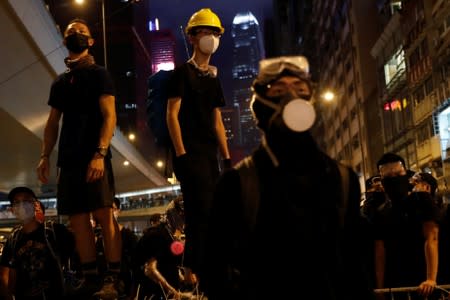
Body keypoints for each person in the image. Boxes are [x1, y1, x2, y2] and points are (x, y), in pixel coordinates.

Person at [203, 56, 375, 299]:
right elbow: (214, 272)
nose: (291, 99)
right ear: (259, 106)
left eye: (301, 89)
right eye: (279, 90)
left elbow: (355, 268)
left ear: (311, 101)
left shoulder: (343, 179)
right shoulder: (237, 184)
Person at [36, 18, 122, 299]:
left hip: (93, 156)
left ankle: (115, 278)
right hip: (69, 160)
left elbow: (109, 116)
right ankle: (91, 278)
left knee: (104, 215)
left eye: (82, 32)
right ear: (64, 41)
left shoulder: (100, 74)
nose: (76, 35)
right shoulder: (60, 83)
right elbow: (52, 123)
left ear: (91, 41)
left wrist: (100, 153)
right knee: (78, 220)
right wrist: (45, 155)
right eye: (71, 32)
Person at [166, 8, 231, 286]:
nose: (211, 38)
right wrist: (181, 154)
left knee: (211, 210)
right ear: (191, 37)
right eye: (205, 32)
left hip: (210, 155)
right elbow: (172, 114)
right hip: (189, 152)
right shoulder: (181, 74)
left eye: (215, 33)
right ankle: (195, 270)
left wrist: (226, 157)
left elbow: (217, 120)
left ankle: (199, 269)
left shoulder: (213, 78)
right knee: (199, 209)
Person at [364, 153, 441, 299]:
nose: (394, 180)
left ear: (406, 174)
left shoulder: (422, 201)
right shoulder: (381, 212)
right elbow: (380, 253)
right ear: (382, 179)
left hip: (424, 282)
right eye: (388, 176)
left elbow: (432, 238)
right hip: (396, 283)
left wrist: (431, 278)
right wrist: (380, 289)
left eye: (398, 174)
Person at [0, 187, 75, 300]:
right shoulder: (13, 240)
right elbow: (5, 275)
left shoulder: (54, 231)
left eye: (26, 200)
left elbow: (75, 255)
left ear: (36, 204)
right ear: (12, 210)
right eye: (16, 202)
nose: (21, 205)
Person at [131, 197, 194, 300]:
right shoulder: (158, 234)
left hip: (163, 294)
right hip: (150, 294)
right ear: (173, 214)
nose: (184, 220)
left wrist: (182, 281)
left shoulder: (169, 235)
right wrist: (173, 292)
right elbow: (150, 270)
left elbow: (166, 265)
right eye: (182, 216)